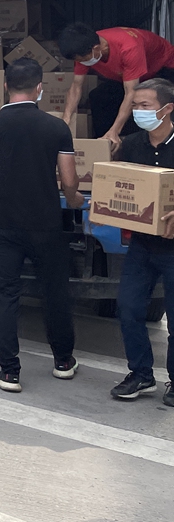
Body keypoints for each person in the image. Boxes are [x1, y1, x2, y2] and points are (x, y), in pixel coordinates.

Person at [0, 58, 82, 393]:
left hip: (1, 224)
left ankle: (10, 372)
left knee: (3, 296)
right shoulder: (57, 127)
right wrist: (74, 200)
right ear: (39, 88)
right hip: (45, 224)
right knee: (55, 292)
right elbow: (69, 179)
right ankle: (63, 361)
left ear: (5, 86)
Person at [107, 78, 174, 406]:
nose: (138, 112)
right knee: (129, 308)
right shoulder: (132, 145)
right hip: (142, 246)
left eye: (145, 106)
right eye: (135, 105)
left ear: (167, 108)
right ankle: (141, 374)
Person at [58, 23, 174, 148]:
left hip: (161, 68)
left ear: (96, 48)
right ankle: (105, 144)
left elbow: (131, 93)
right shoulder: (82, 52)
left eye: (82, 59)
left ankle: (133, 142)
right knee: (98, 96)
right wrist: (65, 121)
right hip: (126, 76)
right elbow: (76, 86)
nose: (81, 63)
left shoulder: (129, 47)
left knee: (145, 102)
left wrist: (115, 130)